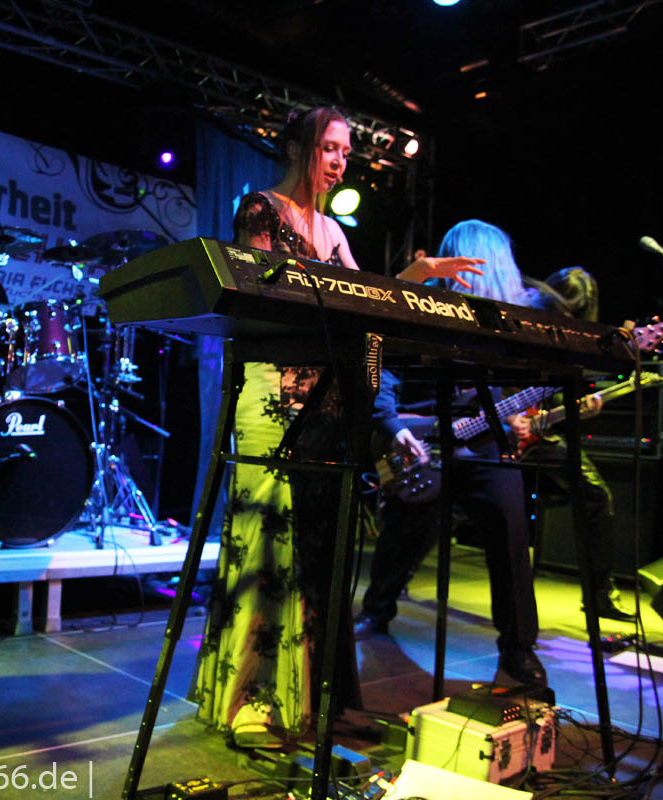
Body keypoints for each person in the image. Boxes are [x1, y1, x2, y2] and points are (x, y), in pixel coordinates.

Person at [189, 107, 483, 746]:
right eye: (329, 148)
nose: (339, 162)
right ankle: (255, 703)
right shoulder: (260, 210)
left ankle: (320, 698)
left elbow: (359, 305)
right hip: (274, 396)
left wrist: (412, 281)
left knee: (322, 556)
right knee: (270, 546)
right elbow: (265, 302)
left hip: (327, 403)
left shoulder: (332, 229)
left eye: (346, 152)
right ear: (297, 149)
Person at [352, 219, 548, 687]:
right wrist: (394, 426)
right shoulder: (420, 310)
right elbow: (384, 371)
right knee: (404, 529)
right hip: (425, 438)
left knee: (510, 536)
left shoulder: (514, 317)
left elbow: (528, 382)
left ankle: (519, 647)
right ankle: (377, 610)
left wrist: (521, 417)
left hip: (486, 442)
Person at [518, 267, 636, 621]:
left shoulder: (570, 339)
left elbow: (549, 401)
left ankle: (599, 596)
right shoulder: (527, 318)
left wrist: (577, 410)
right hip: (502, 426)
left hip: (538, 436)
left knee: (596, 496)